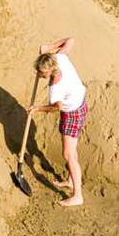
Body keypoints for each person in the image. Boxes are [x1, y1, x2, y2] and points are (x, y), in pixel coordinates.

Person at [29, 37, 86, 207]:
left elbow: (56, 107)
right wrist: (49, 47)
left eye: (41, 73)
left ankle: (78, 196)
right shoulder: (59, 58)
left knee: (68, 154)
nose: (39, 75)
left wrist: (36, 109)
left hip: (72, 112)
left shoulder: (55, 87)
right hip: (79, 103)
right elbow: (70, 40)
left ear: (48, 72)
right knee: (72, 151)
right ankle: (71, 181)